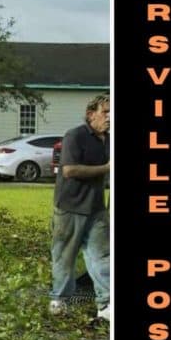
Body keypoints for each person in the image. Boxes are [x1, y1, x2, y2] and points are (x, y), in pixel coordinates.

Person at [49, 94, 110, 320]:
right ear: (90, 114)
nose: (110, 117)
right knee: (65, 256)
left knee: (102, 256)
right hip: (70, 206)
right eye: (106, 112)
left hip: (96, 208)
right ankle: (59, 300)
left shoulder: (109, 140)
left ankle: (106, 305)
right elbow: (70, 171)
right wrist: (106, 168)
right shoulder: (75, 136)